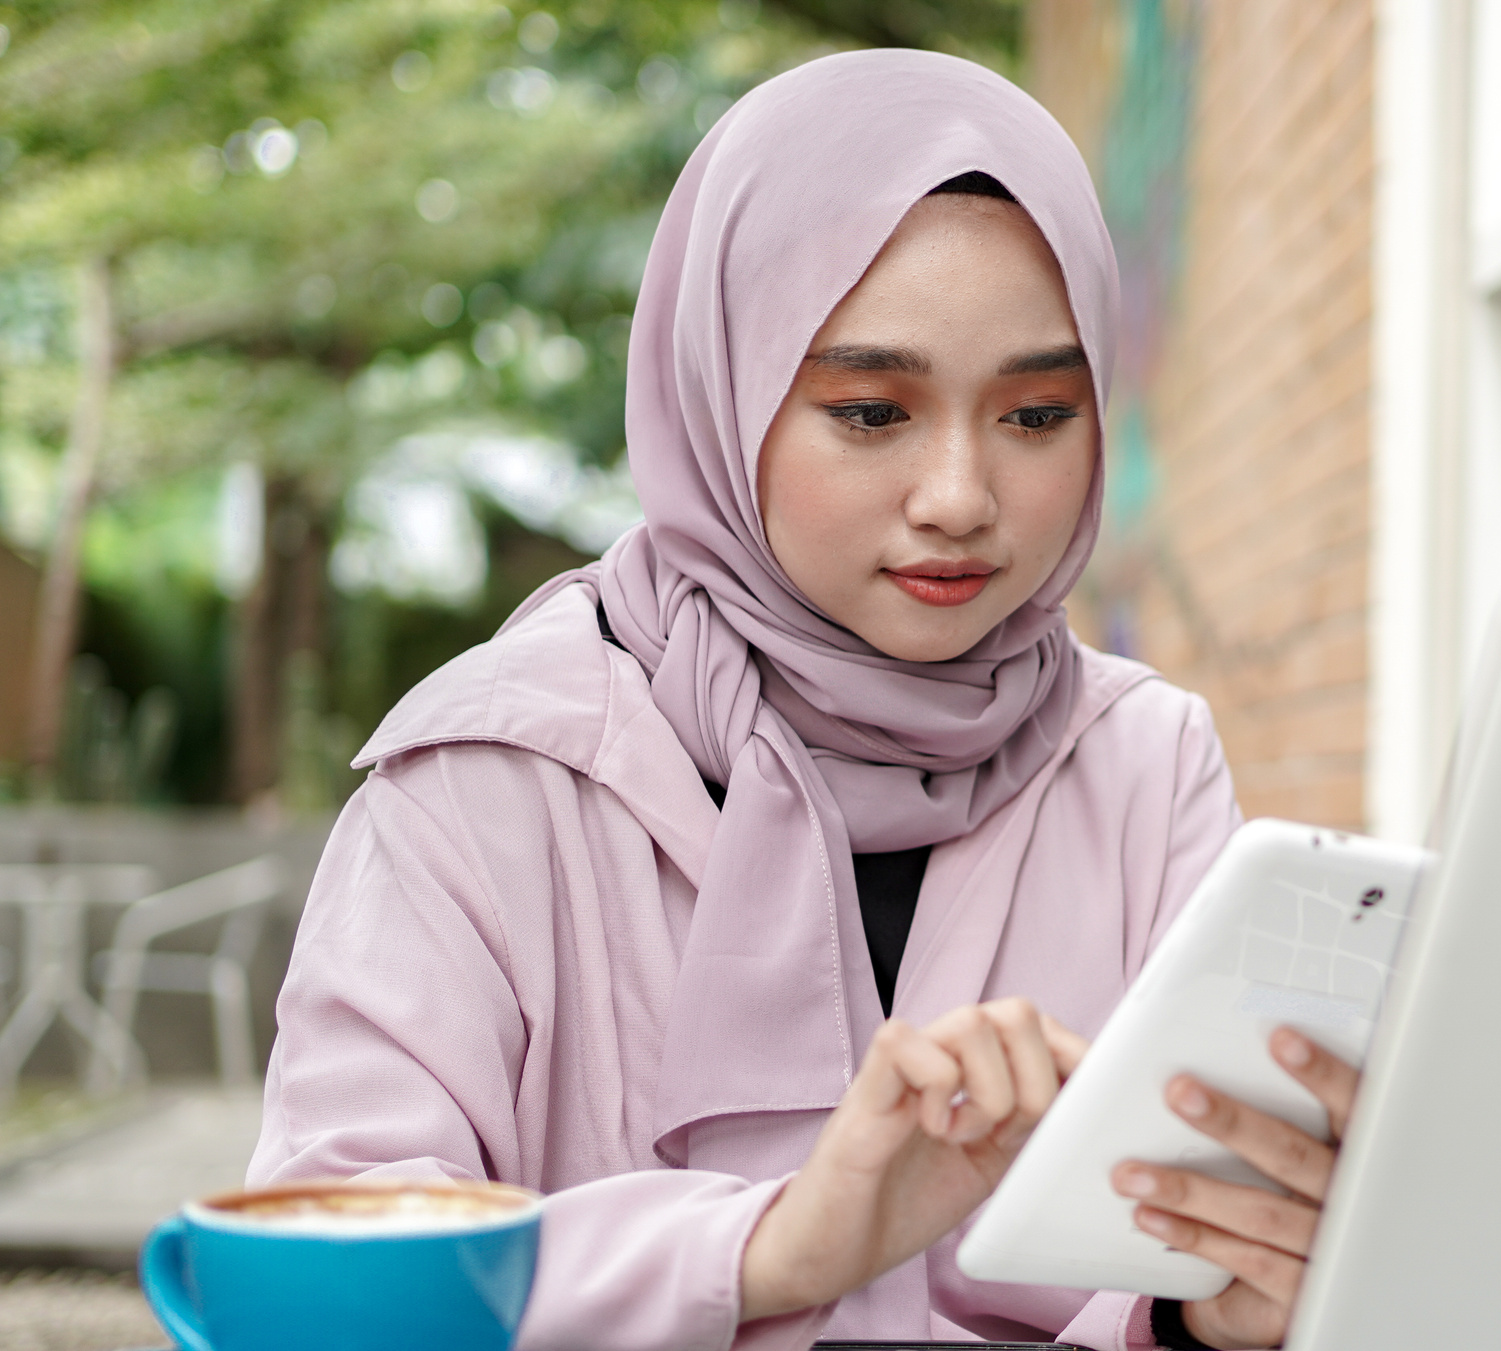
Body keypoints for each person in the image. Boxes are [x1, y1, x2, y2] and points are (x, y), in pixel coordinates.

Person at [251, 49, 1351, 1351]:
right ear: (724, 388)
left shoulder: (1143, 766)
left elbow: (1172, 1253)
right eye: (874, 410)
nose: (960, 496)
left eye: (1039, 414)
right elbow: (310, 1280)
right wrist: (767, 1248)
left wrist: (1217, 1313)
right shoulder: (491, 774)